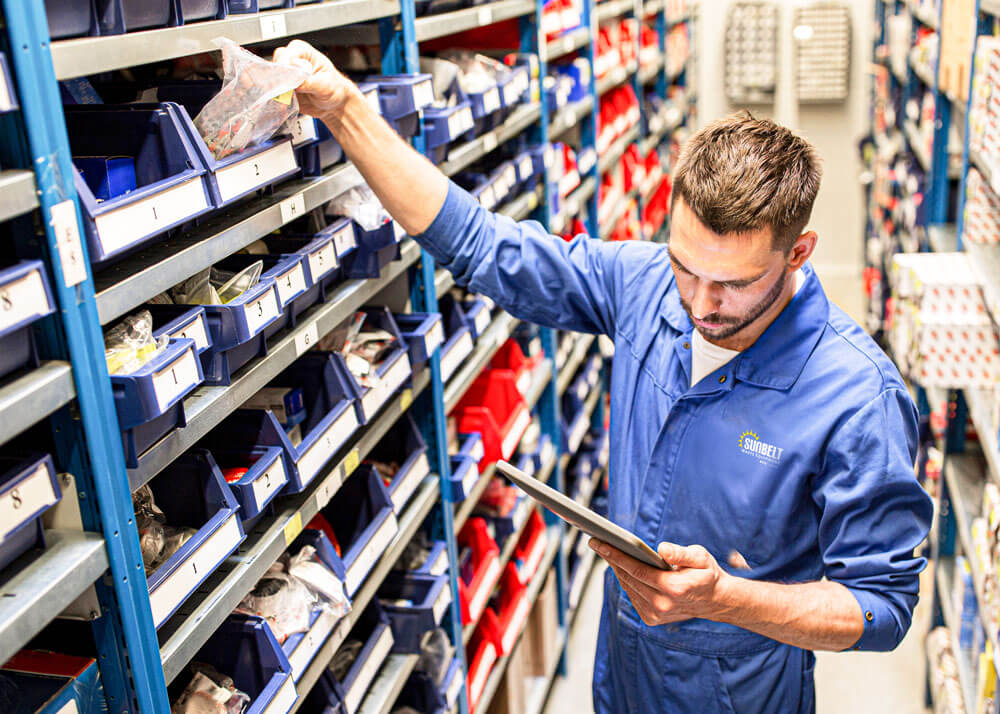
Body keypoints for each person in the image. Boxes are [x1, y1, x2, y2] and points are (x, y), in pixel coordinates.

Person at [273, 40, 933, 713]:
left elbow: (881, 606)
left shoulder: (856, 396)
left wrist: (725, 600)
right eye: (685, 266)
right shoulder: (646, 285)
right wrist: (347, 110)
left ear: (798, 253)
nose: (700, 305)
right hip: (623, 673)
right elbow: (481, 245)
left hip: (739, 695)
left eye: (732, 284)